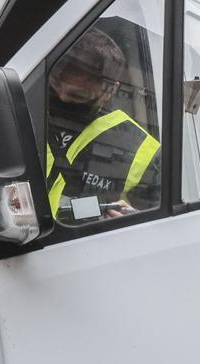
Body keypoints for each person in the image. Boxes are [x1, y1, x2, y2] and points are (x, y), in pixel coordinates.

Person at [45, 27, 161, 364]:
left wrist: (140, 220)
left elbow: (164, 222)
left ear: (109, 89)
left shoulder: (141, 146)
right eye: (61, 78)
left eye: (80, 85)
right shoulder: (17, 114)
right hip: (14, 277)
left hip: (93, 295)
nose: (65, 90)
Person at [46, 27, 160, 223]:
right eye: (54, 87)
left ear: (110, 91)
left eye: (77, 96)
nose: (62, 97)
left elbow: (161, 229)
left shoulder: (142, 150)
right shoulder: (23, 106)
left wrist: (135, 224)